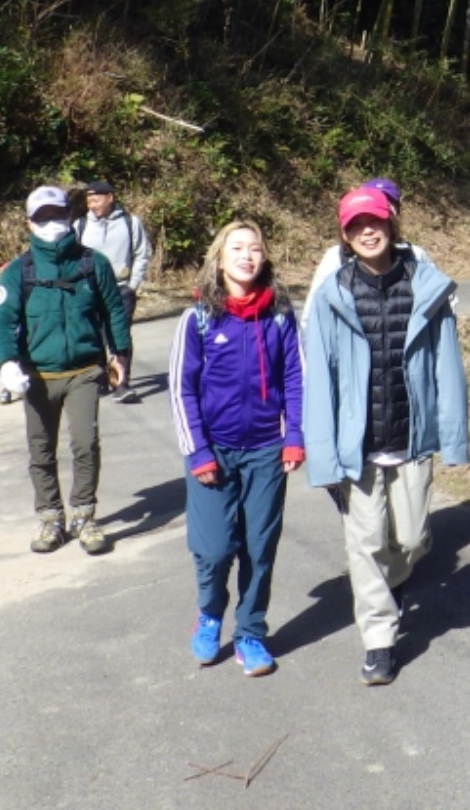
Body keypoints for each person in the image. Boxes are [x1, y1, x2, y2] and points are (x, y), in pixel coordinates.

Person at [301, 186, 469, 687]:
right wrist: (323, 455)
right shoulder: (332, 295)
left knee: (413, 539)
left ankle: (393, 582)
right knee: (366, 542)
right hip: (359, 445)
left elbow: (448, 365)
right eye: (354, 226)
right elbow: (321, 383)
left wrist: (455, 437)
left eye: (373, 221)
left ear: (392, 223)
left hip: (411, 438)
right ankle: (378, 641)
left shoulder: (425, 285)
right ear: (344, 236)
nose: (366, 231)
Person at [171, 220, 304, 677]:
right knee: (212, 550)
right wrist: (197, 452)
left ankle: (250, 632)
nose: (247, 255)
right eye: (237, 248)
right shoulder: (199, 318)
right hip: (215, 451)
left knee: (259, 547)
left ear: (265, 258)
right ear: (220, 259)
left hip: (267, 449)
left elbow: (295, 379)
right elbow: (181, 389)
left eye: (255, 248)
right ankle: (209, 615)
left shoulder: (281, 315)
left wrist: (295, 436)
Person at [0, 185, 132, 556]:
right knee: (41, 450)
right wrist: (6, 363)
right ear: (29, 223)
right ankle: (51, 518)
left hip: (85, 371)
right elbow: (2, 321)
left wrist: (121, 354)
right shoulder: (19, 271)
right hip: (37, 376)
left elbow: (114, 310)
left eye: (57, 215)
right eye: (43, 217)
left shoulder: (92, 263)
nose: (52, 223)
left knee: (86, 444)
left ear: (70, 217)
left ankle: (84, 515)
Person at [75, 181, 152, 403]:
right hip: (91, 290)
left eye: (96, 200)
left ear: (110, 197)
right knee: (94, 334)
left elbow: (141, 253)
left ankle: (122, 382)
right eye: (88, 201)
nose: (91, 205)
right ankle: (101, 378)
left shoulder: (130, 223)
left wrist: (133, 284)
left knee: (120, 335)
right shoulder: (80, 226)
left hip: (121, 287)